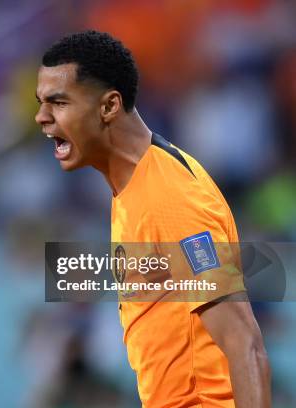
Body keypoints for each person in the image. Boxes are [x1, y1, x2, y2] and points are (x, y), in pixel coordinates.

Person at [35, 31, 271, 407]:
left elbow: (245, 343)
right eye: (41, 102)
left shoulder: (170, 197)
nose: (41, 117)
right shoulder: (131, 185)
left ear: (109, 106)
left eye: (58, 102)